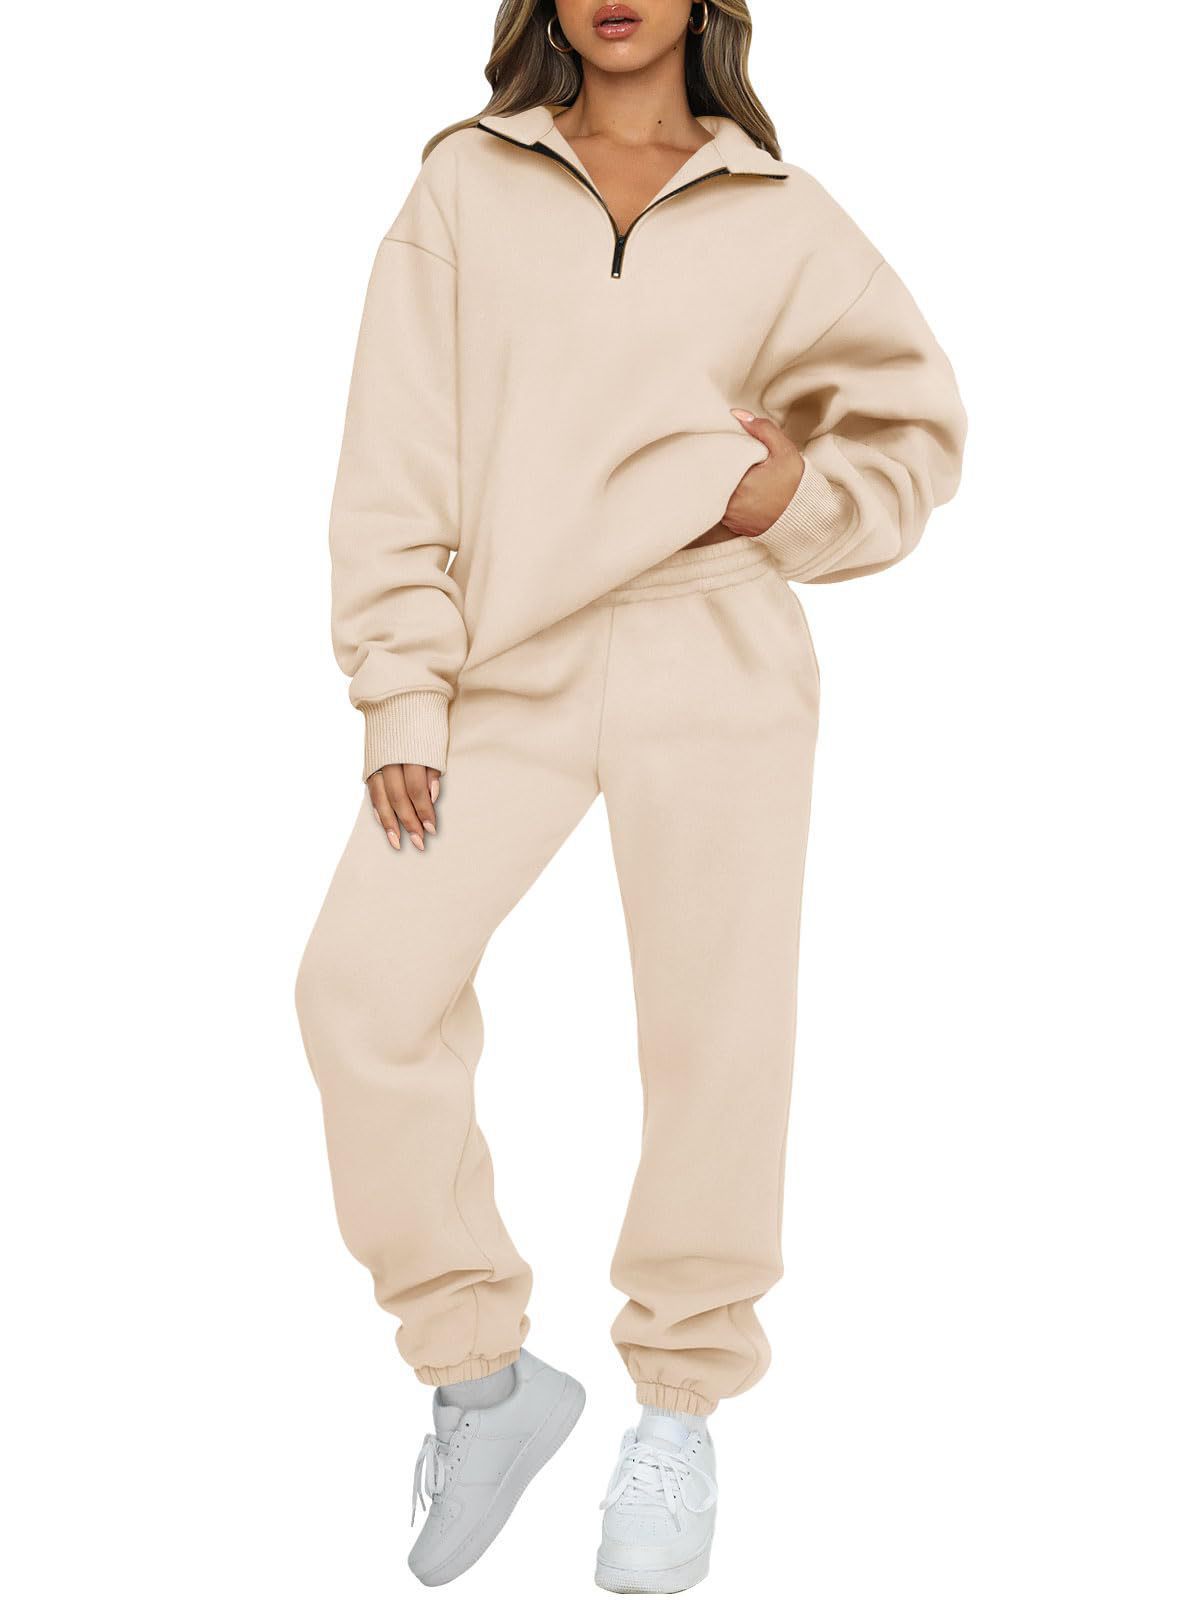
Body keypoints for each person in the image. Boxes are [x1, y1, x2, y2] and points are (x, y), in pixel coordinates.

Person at [295, 0, 967, 1589]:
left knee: (715, 1035)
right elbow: (395, 456)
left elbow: (917, 437)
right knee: (360, 990)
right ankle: (481, 1375)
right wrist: (402, 688)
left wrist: (792, 495)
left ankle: (679, 1407)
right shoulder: (464, 185)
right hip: (502, 659)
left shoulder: (784, 215)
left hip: (712, 644)